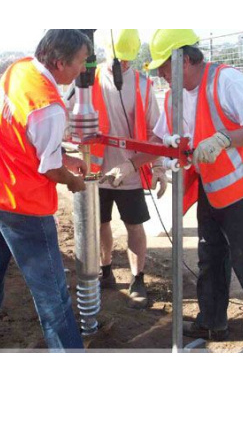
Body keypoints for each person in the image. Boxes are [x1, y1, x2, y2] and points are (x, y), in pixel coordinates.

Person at [0, 29, 92, 351]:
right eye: (81, 62)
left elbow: (25, 137)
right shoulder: (49, 106)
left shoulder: (19, 69)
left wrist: (65, 157)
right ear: (60, 63)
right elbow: (48, 168)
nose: (83, 70)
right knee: (53, 298)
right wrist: (74, 181)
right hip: (22, 206)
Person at [149, 29, 243, 349]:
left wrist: (225, 138)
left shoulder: (225, 81)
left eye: (165, 65)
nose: (161, 74)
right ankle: (212, 322)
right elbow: (161, 141)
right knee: (211, 257)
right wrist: (144, 165)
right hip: (212, 189)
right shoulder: (173, 97)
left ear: (185, 58)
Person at [85, 29, 168, 309]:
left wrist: (157, 168)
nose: (122, 66)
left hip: (130, 172)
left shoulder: (144, 86)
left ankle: (137, 279)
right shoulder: (89, 80)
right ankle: (105, 270)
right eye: (118, 60)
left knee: (134, 225)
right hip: (97, 172)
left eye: (127, 61)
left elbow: (156, 134)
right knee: (100, 223)